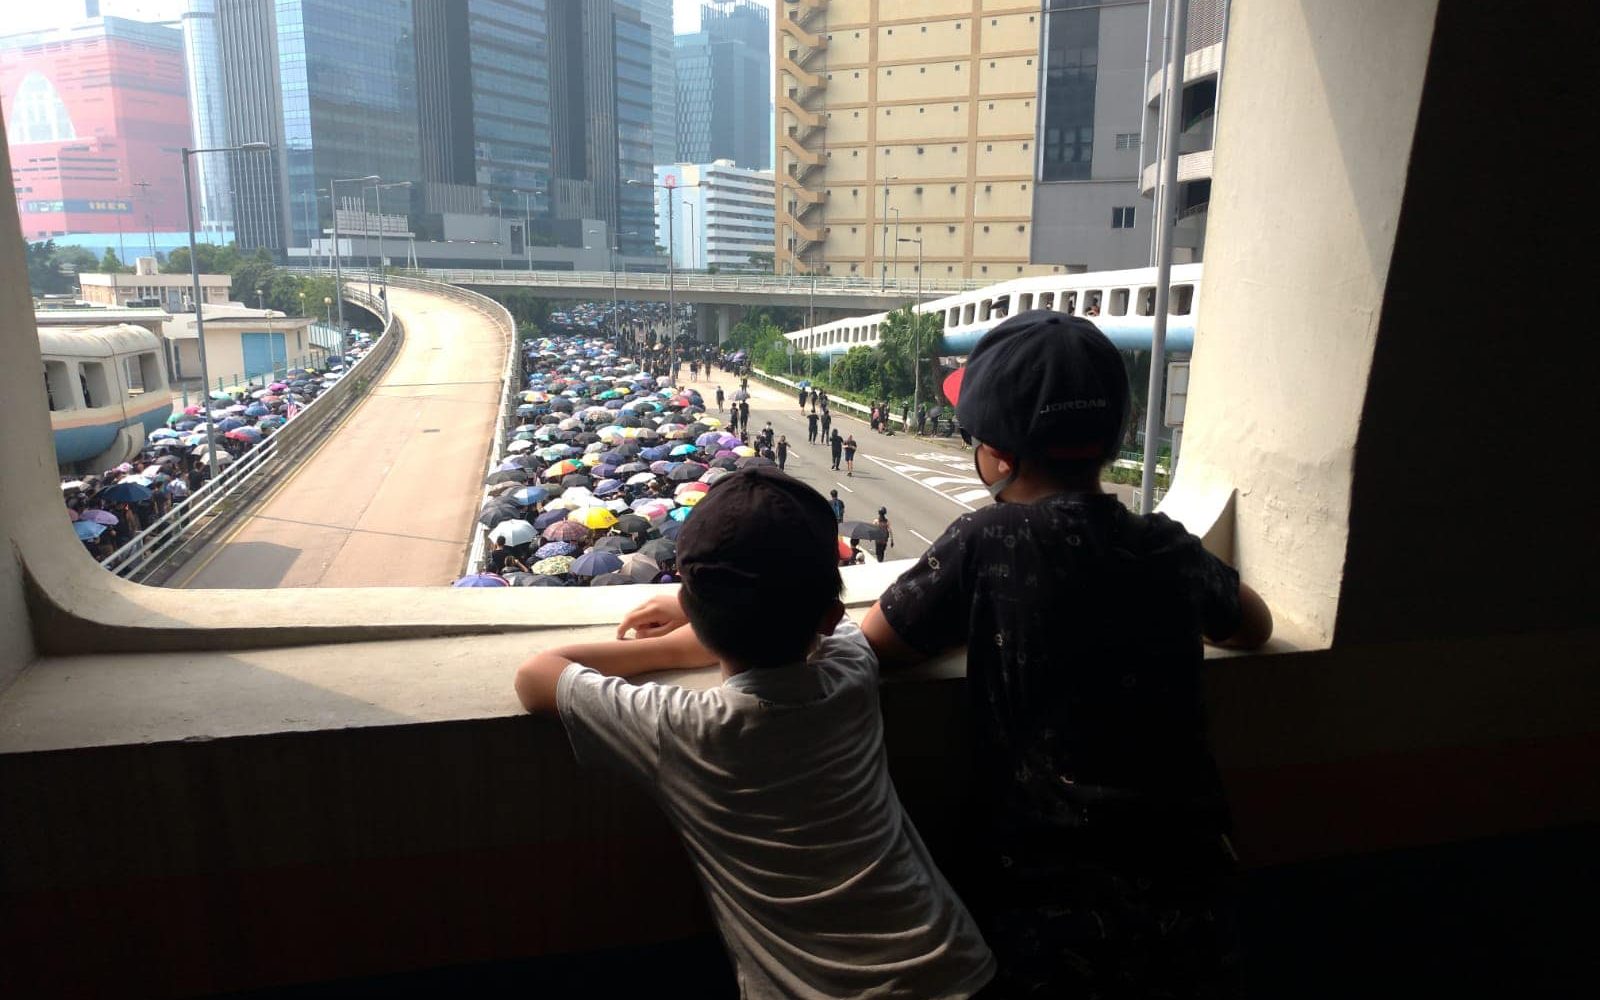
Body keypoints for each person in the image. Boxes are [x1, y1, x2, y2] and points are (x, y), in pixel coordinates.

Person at [858, 311, 1275, 998]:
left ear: (996, 455)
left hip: (1044, 910)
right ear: (1114, 436)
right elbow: (1252, 625)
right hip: (1191, 893)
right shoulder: (1163, 544)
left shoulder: (987, 540)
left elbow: (878, 641)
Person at [515, 469, 995, 999]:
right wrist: (700, 612)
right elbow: (832, 628)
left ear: (692, 609)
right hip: (959, 968)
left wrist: (668, 639)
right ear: (828, 616)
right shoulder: (851, 670)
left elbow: (536, 676)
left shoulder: (681, 726)